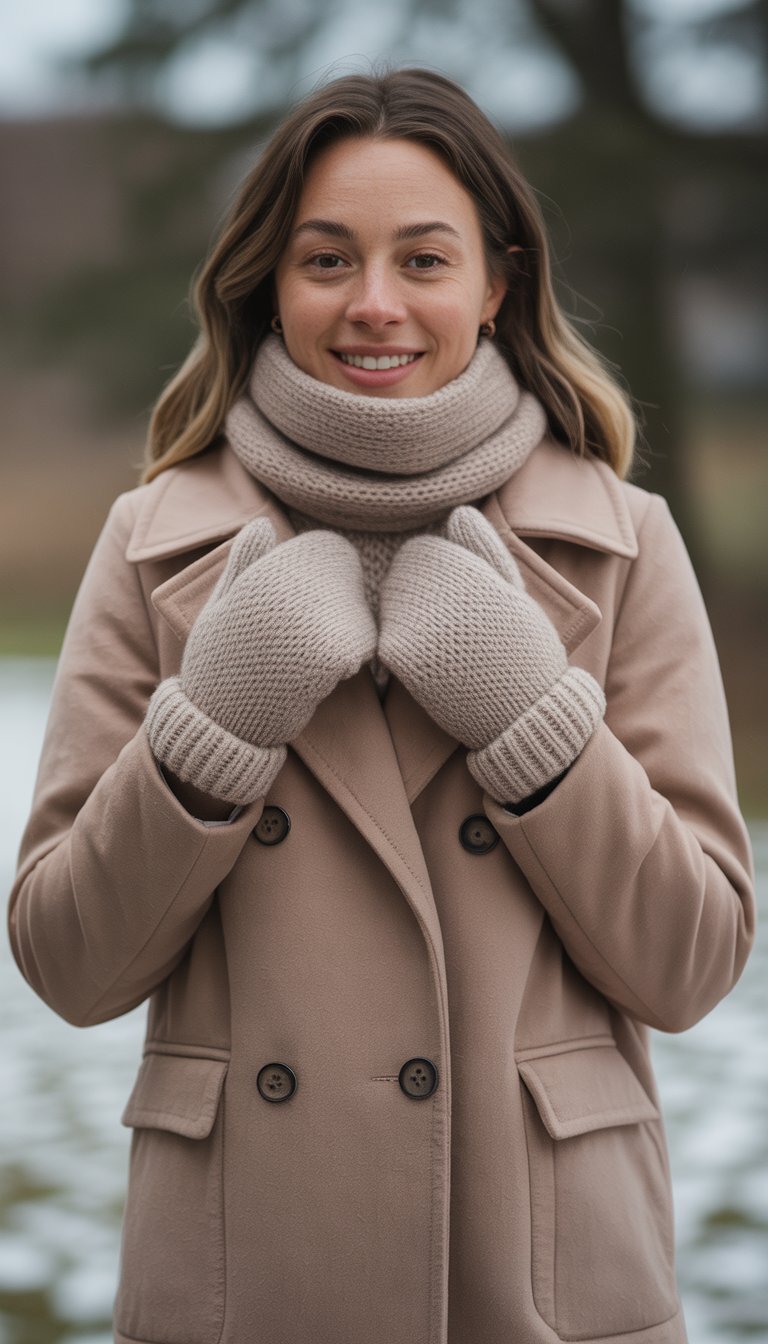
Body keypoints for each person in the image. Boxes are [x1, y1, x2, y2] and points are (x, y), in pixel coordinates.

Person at [8, 67, 755, 1344]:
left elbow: (688, 964)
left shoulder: (620, 542)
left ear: (496, 282)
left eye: (423, 258)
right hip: (246, 1277)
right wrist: (220, 719)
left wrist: (529, 713)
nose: (372, 305)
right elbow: (70, 963)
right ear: (267, 283)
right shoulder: (154, 542)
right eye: (325, 259)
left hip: (537, 1275)